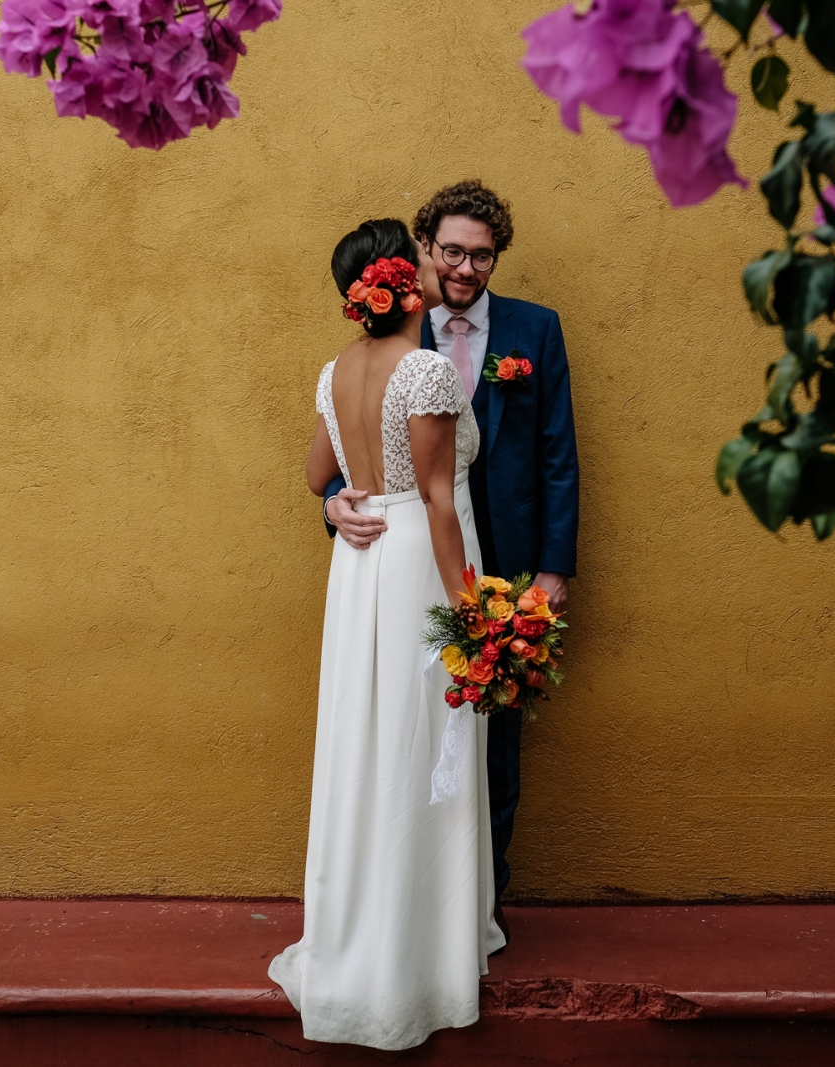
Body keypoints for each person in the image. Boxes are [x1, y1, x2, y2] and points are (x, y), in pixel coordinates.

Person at [269, 218, 504, 1050]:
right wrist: (472, 617)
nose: (446, 268)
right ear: (407, 286)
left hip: (362, 561)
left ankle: (367, 923)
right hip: (414, 565)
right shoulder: (427, 370)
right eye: (426, 257)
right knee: (418, 737)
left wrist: (343, 498)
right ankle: (420, 951)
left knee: (370, 737)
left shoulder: (337, 371)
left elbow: (313, 475)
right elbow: (441, 502)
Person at [322, 181, 580, 931]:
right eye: (453, 252)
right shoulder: (396, 335)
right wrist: (338, 500)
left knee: (494, 745)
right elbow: (355, 447)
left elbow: (559, 454)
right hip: (422, 571)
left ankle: (478, 901)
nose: (467, 268)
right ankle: (415, 912)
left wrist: (554, 569)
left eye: (484, 255)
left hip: (510, 564)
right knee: (410, 726)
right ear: (424, 251)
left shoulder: (536, 330)